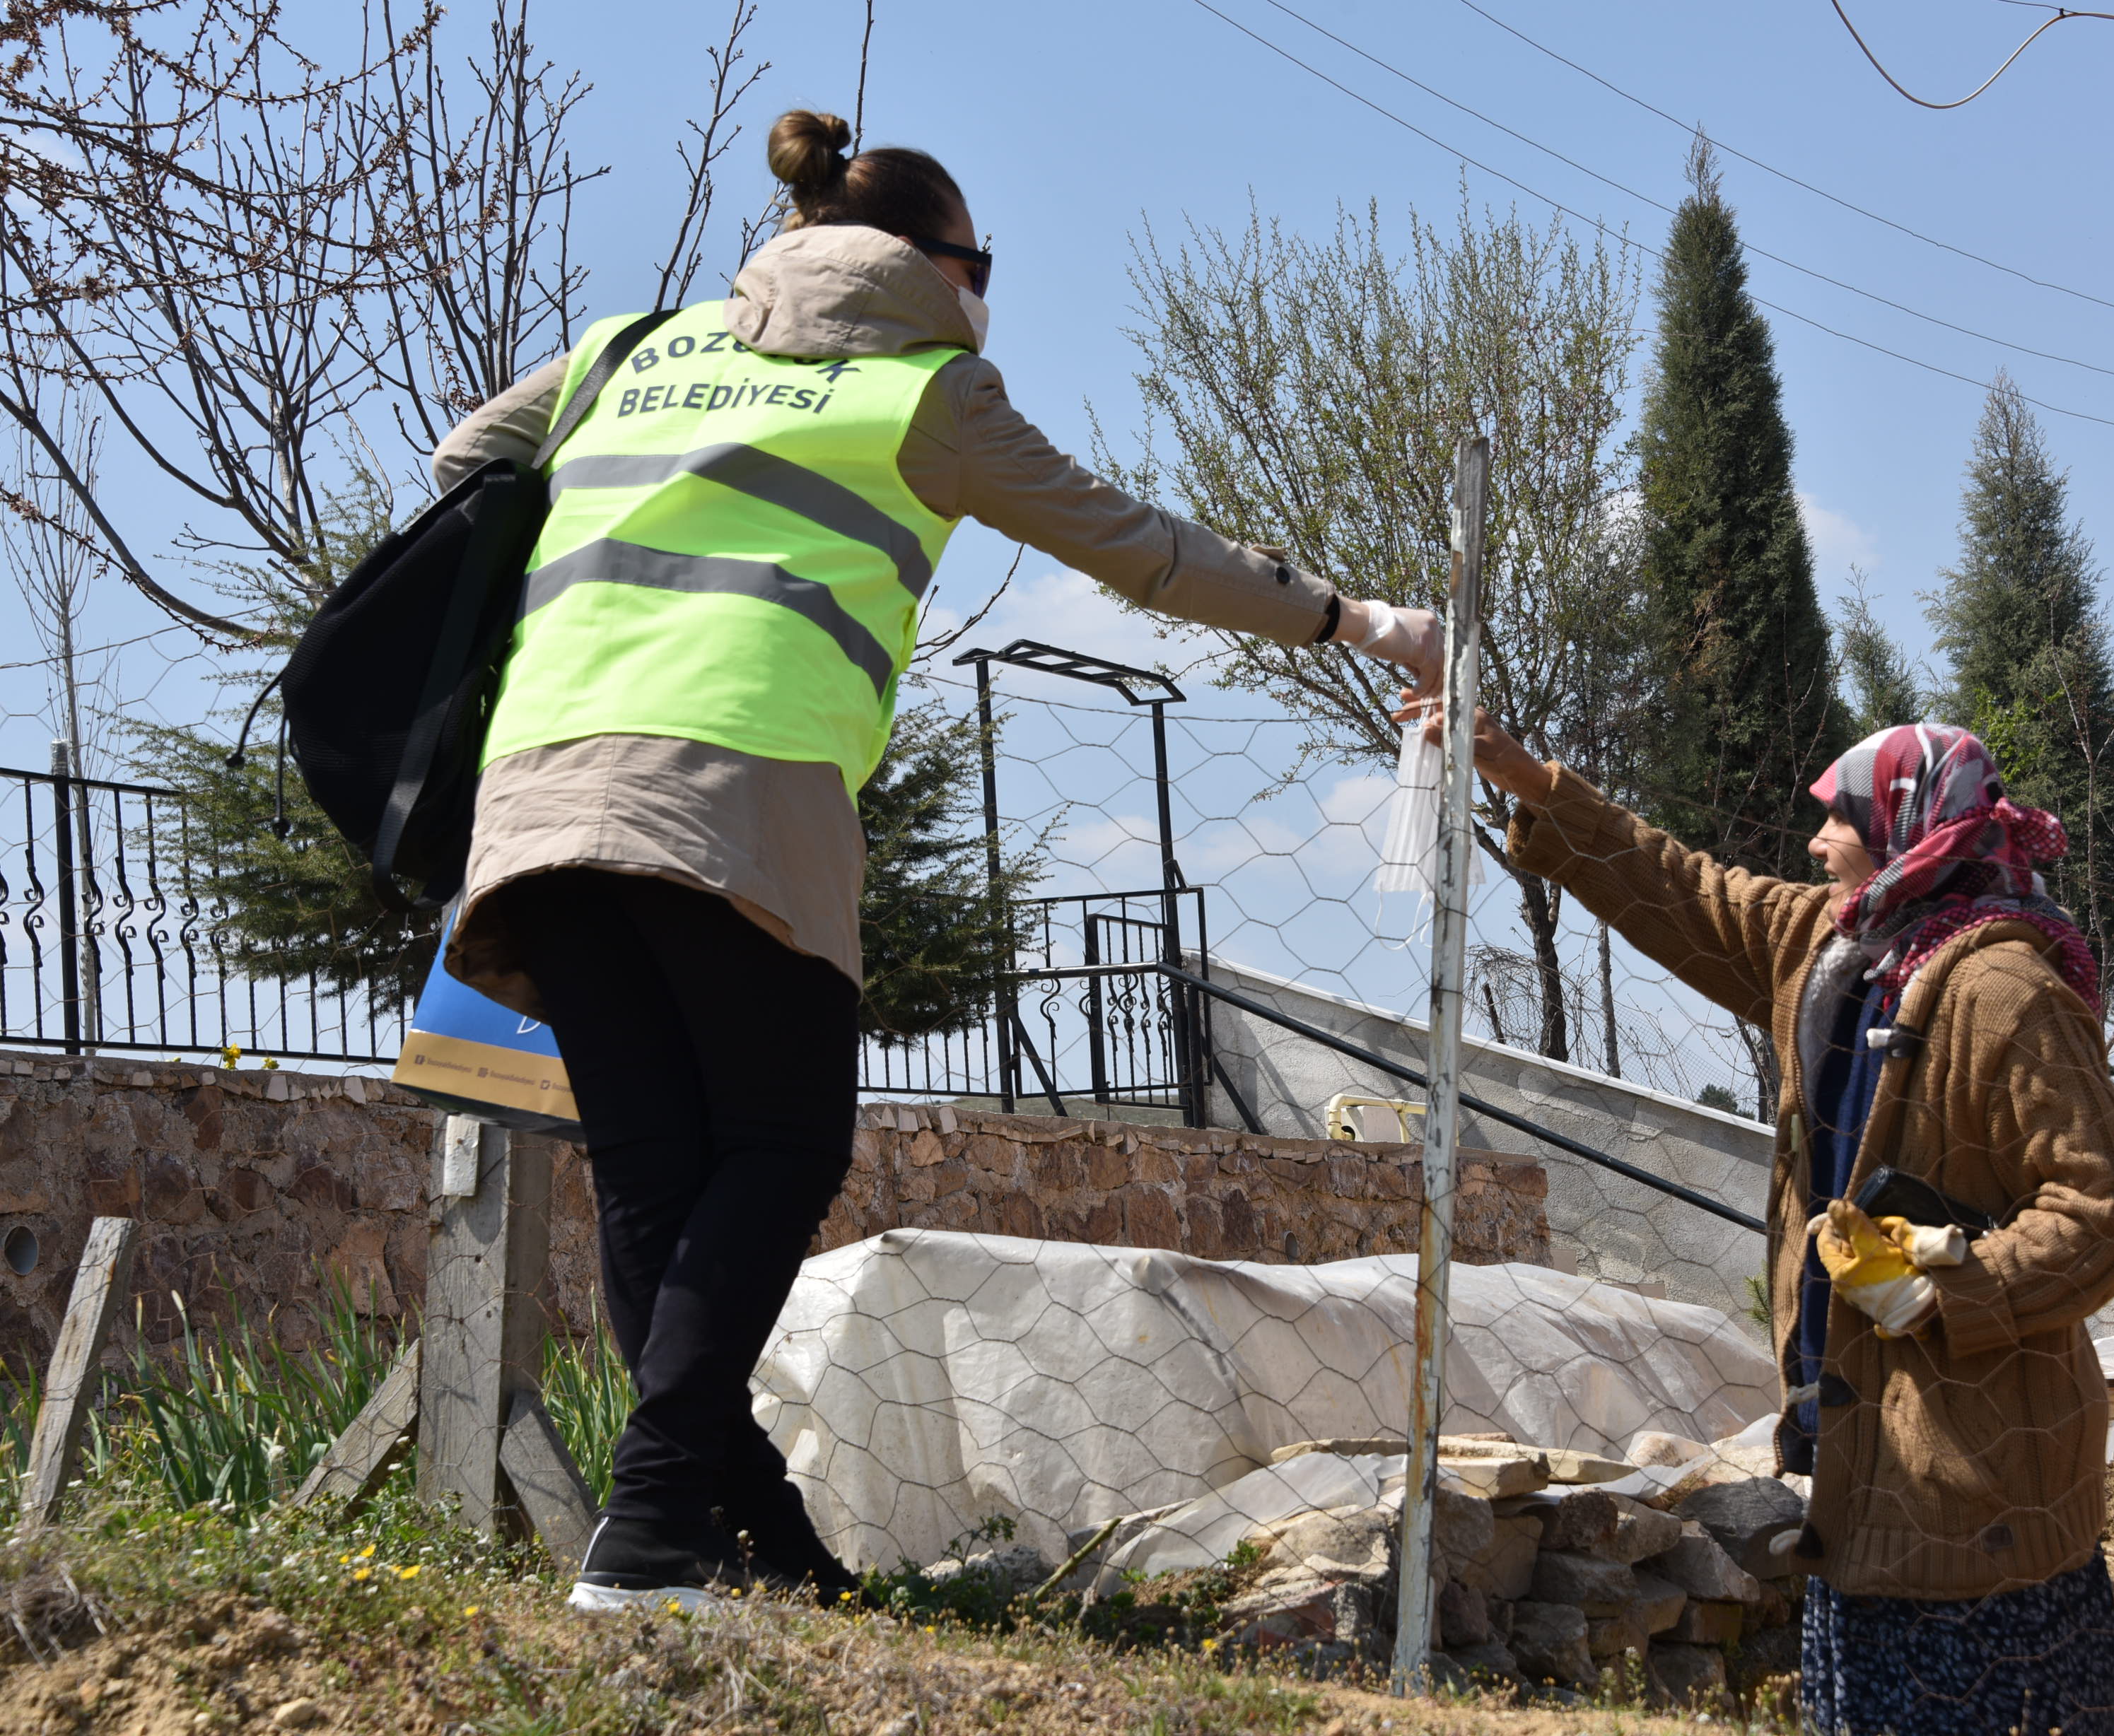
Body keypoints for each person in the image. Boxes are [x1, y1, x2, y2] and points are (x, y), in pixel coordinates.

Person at [429, 112, 1441, 1613]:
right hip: (734, 794)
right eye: (988, 270)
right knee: (779, 1147)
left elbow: (465, 459)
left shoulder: (624, 350)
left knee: (657, 1172)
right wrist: (1360, 621)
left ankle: (741, 1538)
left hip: (536, 794)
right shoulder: (929, 389)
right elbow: (1141, 549)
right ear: (940, 264)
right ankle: (649, 1530)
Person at [1447, 710, 2114, 1736]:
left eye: (1835, 821)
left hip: (1983, 1478)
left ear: (1905, 827)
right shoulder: (1831, 945)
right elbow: (1680, 887)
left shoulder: (2005, 991)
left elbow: (2107, 1207)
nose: (1816, 844)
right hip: (1858, 1463)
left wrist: (1954, 1284)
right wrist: (1526, 776)